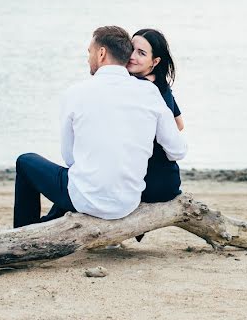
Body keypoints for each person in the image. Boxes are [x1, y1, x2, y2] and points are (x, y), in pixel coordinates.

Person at [13, 25, 186, 228]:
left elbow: (70, 157)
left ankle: (24, 232)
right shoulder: (150, 92)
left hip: (86, 199)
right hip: (128, 202)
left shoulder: (75, 93)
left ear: (101, 53)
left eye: (90, 52)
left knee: (25, 162)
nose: (88, 58)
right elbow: (178, 150)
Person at [126, 28, 185, 204]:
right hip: (168, 180)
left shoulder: (138, 87)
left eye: (141, 53)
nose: (132, 56)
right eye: (131, 49)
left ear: (155, 61)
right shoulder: (161, 84)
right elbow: (179, 124)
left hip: (148, 181)